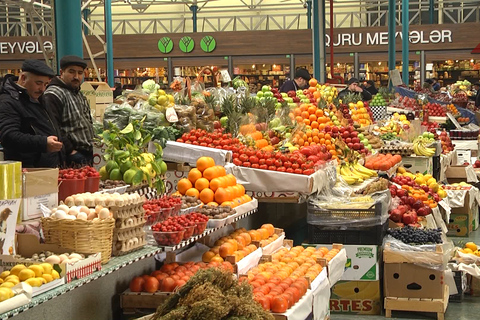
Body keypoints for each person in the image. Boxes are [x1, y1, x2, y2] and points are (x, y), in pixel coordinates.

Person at [0, 60, 64, 168]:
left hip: (48, 168)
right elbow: (8, 136)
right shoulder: (8, 102)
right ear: (23, 78)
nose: (42, 89)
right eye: (38, 83)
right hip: (28, 170)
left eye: (46, 84)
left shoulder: (40, 98)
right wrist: (43, 143)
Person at [43, 55, 95, 166]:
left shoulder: (78, 93)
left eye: (80, 73)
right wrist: (70, 150)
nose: (76, 76)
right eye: (71, 72)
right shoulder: (53, 94)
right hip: (72, 156)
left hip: (87, 153)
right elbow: (53, 127)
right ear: (62, 72)